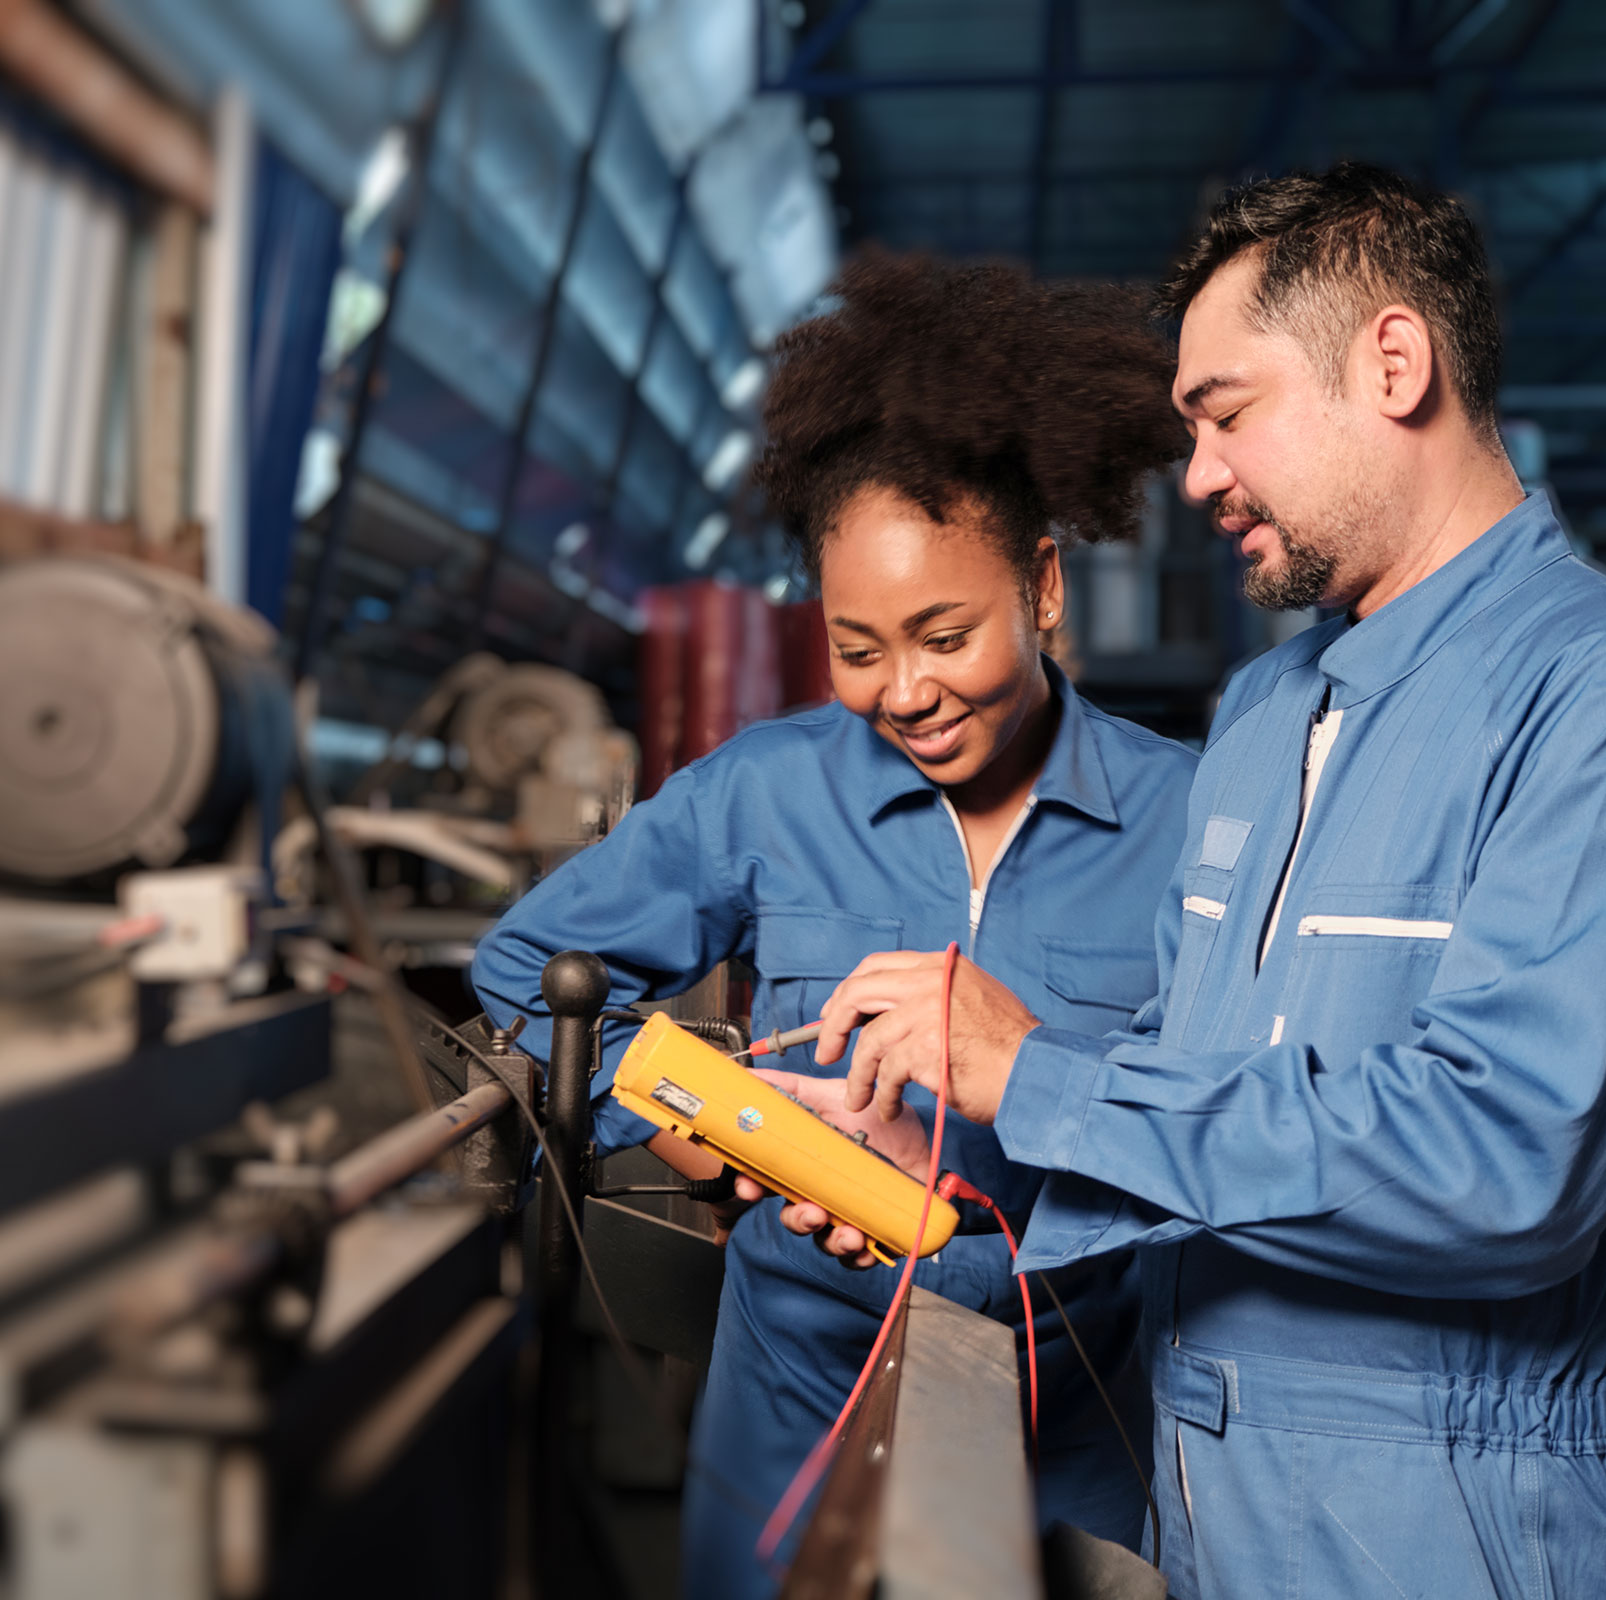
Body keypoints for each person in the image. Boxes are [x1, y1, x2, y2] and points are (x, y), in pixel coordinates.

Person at [798, 165, 1606, 1599]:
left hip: (1460, 1522)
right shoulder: (1269, 717)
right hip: (1217, 1499)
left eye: (1225, 412)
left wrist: (1045, 1080)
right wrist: (961, 1171)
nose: (1197, 472)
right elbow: (1199, 1083)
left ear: (1394, 363)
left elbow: (1518, 1159)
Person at [470, 252, 1199, 1599]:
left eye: (944, 632)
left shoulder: (1196, 822)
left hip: (1092, 1370)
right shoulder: (771, 788)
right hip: (809, 1352)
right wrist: (698, 1120)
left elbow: (1241, 1108)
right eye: (858, 648)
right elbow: (522, 974)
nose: (905, 691)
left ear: (1043, 587)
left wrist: (1039, 1069)